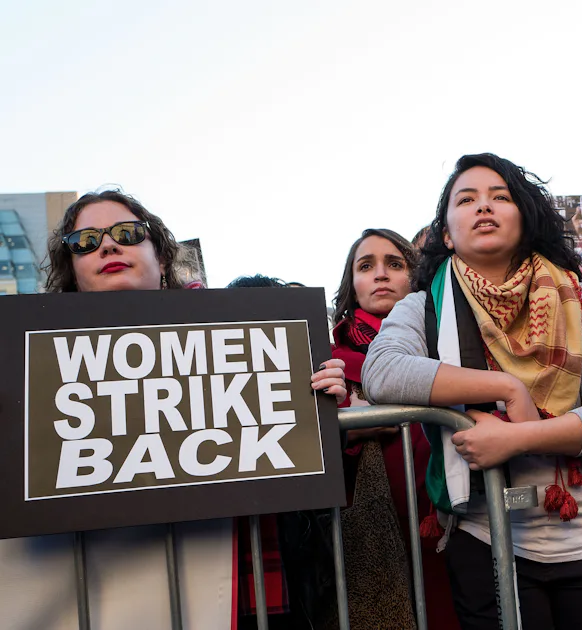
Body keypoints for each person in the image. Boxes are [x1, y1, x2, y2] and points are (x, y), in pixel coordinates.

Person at [0, 190, 346, 629]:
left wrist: (319, 400)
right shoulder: (26, 365)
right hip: (102, 596)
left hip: (239, 586)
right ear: (71, 269)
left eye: (127, 233)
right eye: (84, 241)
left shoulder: (240, 337)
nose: (108, 245)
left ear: (162, 259)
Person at [361, 154, 582, 629]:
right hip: (486, 539)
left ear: (525, 219)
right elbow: (382, 372)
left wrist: (516, 438)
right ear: (447, 233)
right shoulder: (420, 308)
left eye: (500, 197)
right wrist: (506, 386)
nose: (483, 207)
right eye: (465, 200)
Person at [327, 228, 458, 630]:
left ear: (414, 277)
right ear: (353, 285)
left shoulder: (451, 344)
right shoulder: (327, 360)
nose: (380, 274)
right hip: (372, 531)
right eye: (366, 266)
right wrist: (346, 425)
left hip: (446, 512)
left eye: (395, 263)